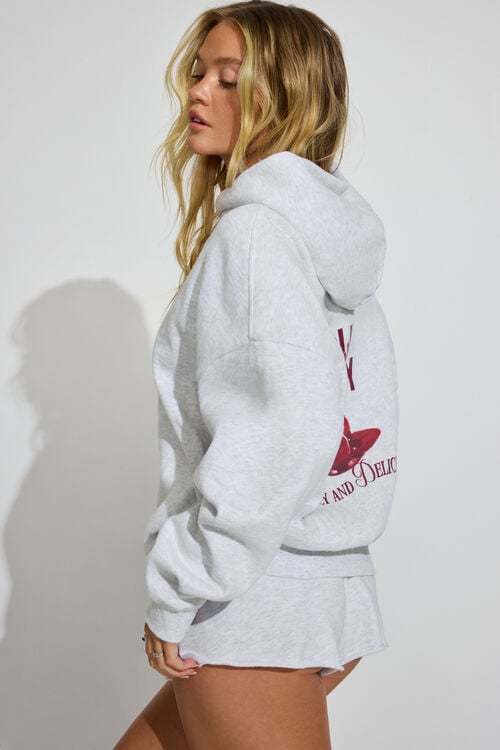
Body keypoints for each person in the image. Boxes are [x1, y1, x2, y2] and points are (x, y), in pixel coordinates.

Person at [114, 2, 399, 748]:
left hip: (251, 601)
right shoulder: (324, 242)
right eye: (198, 73)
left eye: (229, 78)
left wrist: (182, 585)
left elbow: (285, 429)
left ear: (285, 96)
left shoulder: (254, 237)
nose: (198, 92)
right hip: (313, 583)